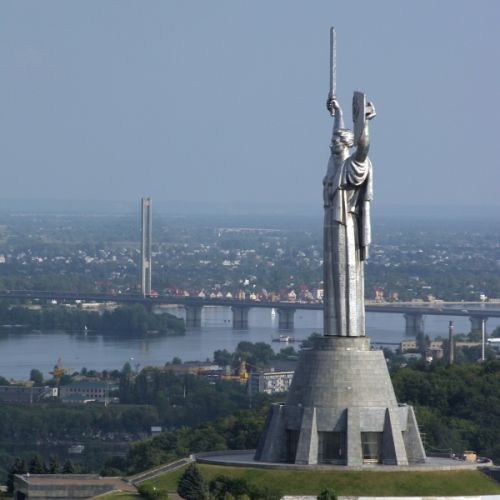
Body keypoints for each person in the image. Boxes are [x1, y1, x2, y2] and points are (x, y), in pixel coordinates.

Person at [323, 96, 376, 337]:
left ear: (345, 144)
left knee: (346, 272)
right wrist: (338, 113)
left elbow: (363, 146)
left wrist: (365, 122)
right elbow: (339, 132)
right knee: (333, 274)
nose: (331, 142)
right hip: (332, 225)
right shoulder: (335, 164)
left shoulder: (354, 164)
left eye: (336, 139)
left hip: (346, 225)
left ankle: (347, 331)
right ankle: (337, 331)